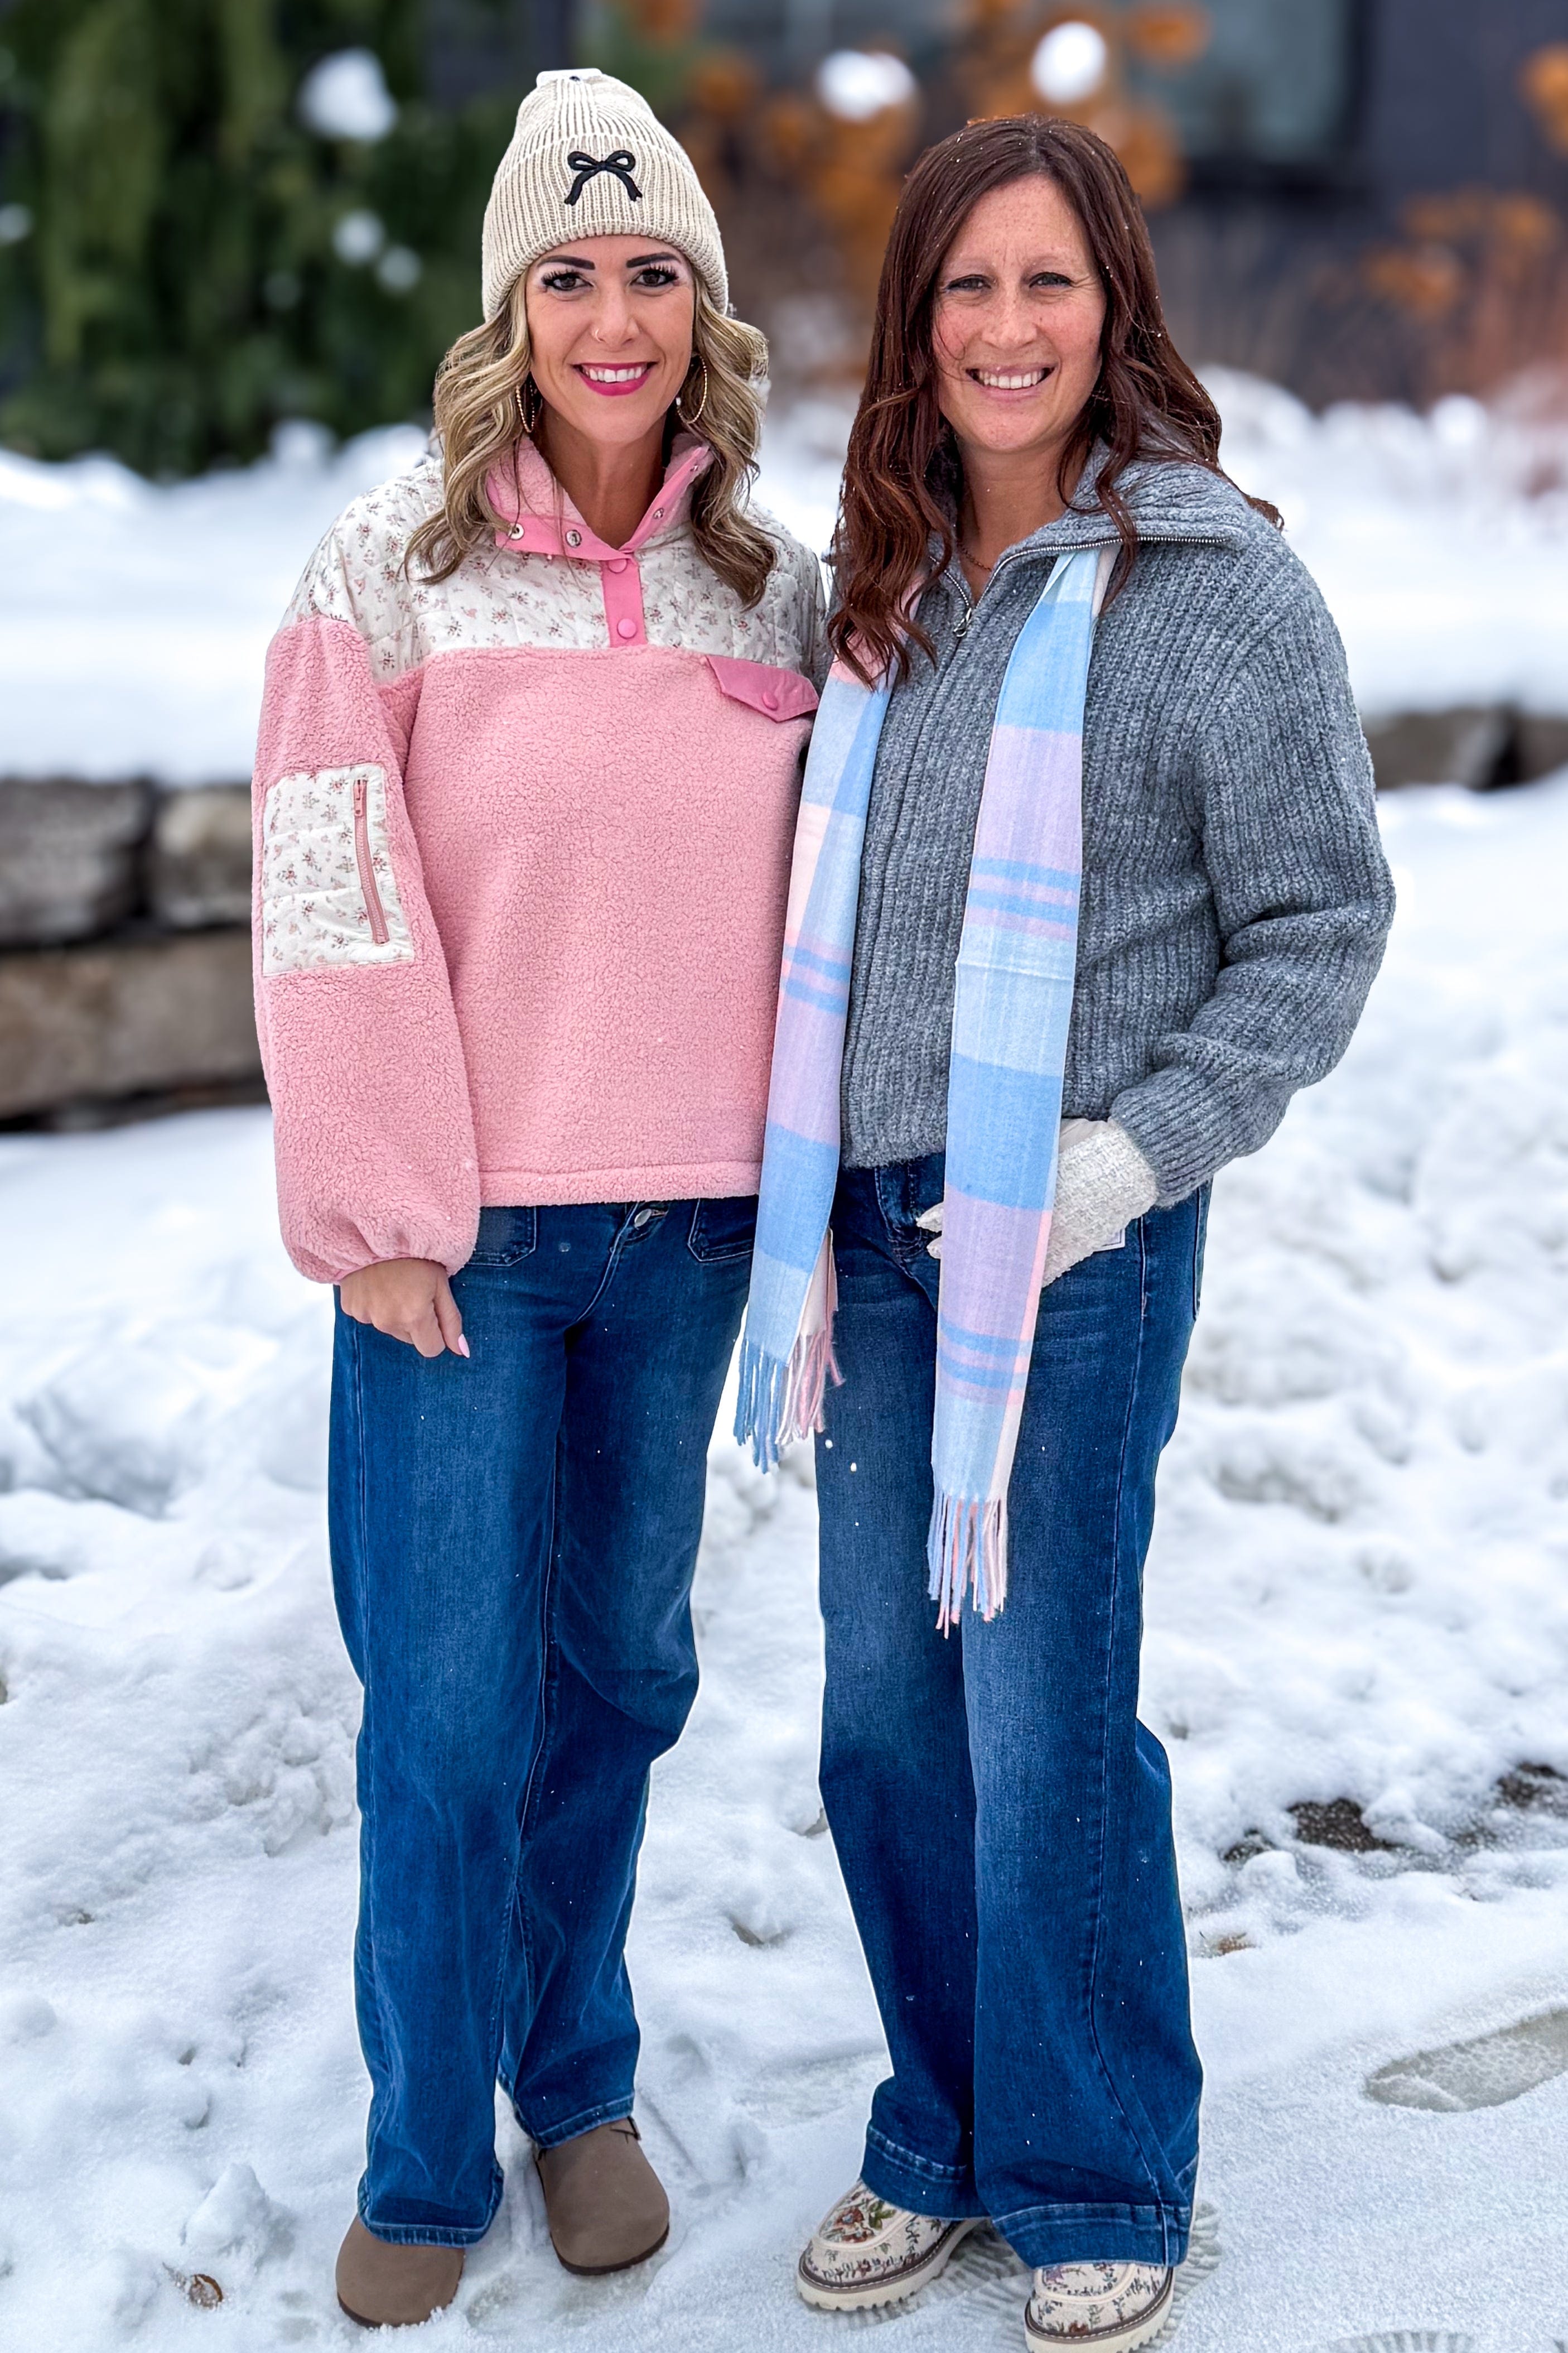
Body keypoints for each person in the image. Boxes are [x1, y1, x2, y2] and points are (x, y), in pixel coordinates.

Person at [736, 115, 1394, 2353]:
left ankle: (1098, 2157)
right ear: (914, 326)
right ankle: (941, 2118)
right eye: (964, 289)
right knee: (875, 1717)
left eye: (1048, 284)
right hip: (866, 1226)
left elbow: (1315, 928)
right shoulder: (879, 593)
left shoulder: (1216, 595)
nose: (1006, 329)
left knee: (1040, 1714)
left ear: (1113, 306)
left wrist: (1150, 1143)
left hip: (1072, 1244)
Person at [252, 68, 825, 2331]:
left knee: (621, 1675)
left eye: (652, 271)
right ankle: (422, 2137)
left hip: (681, 1237)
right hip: (457, 1243)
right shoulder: (385, 570)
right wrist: (378, 1200)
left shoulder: (769, 590)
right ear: (513, 303)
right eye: (570, 273)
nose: (613, 315)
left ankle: (573, 2079)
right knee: (452, 1713)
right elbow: (330, 896)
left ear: (699, 306)